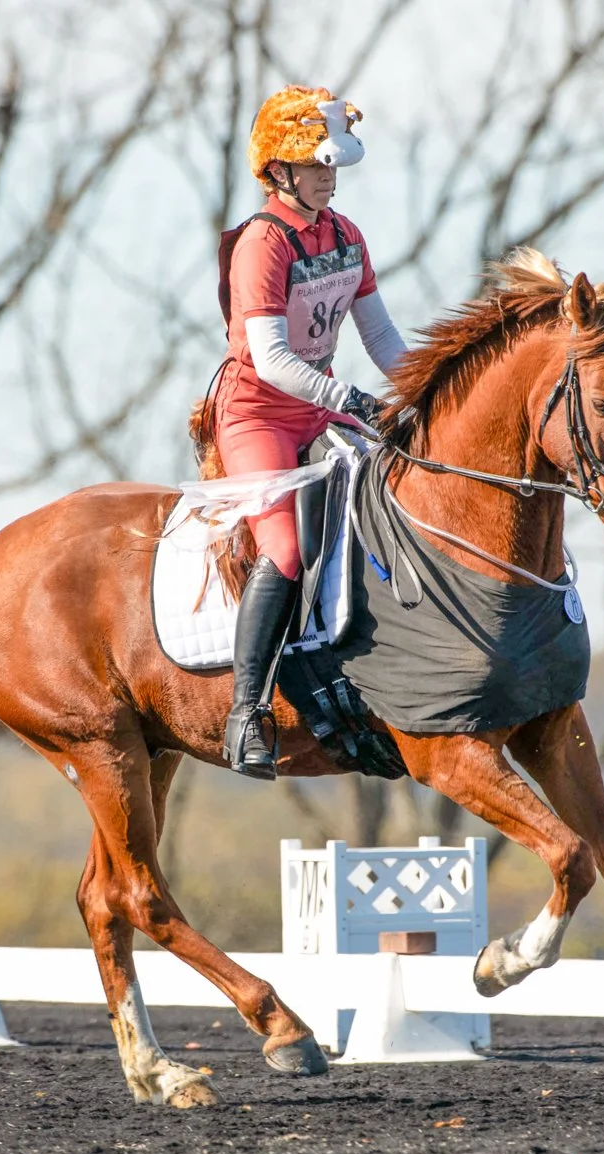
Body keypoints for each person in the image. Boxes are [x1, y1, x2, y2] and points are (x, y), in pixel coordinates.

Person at [212, 85, 407, 780]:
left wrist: (426, 391)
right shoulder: (262, 243)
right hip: (256, 413)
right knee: (289, 548)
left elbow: (380, 334)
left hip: (320, 407)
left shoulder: (346, 233)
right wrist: (349, 397)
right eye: (314, 164)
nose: (329, 175)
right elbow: (271, 359)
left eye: (330, 165)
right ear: (278, 171)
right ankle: (246, 713)